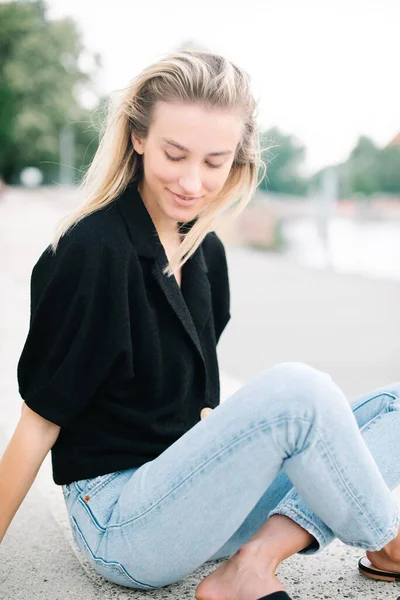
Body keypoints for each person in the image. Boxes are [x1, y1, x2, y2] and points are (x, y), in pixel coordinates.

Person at [0, 50, 399, 600]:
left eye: (214, 162)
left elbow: (197, 414)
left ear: (236, 160)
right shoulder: (91, 251)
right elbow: (37, 426)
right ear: (138, 138)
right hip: (120, 521)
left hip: (190, 498)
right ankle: (389, 542)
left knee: (394, 410)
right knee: (299, 392)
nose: (193, 182)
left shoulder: (205, 251)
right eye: (175, 154)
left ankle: (252, 565)